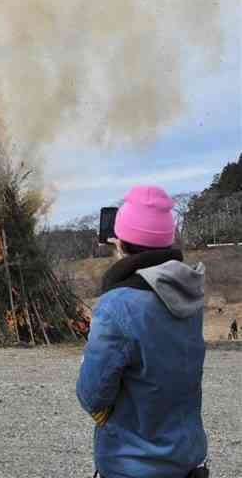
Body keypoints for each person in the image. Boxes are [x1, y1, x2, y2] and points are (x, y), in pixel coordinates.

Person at [76, 185, 208, 478]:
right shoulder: (190, 294)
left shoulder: (118, 305)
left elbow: (92, 395)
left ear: (121, 242)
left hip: (134, 464)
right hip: (186, 460)